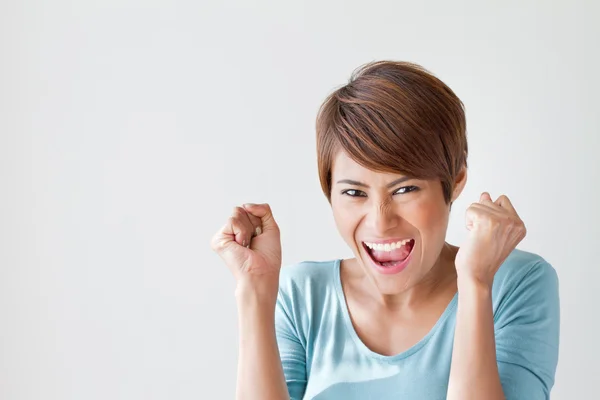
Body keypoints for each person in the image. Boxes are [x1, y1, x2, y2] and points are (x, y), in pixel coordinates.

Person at [210, 61, 560, 400]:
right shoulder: (301, 297)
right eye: (354, 193)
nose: (380, 221)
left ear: (455, 181)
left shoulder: (515, 283)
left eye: (405, 189)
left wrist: (476, 283)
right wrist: (255, 289)